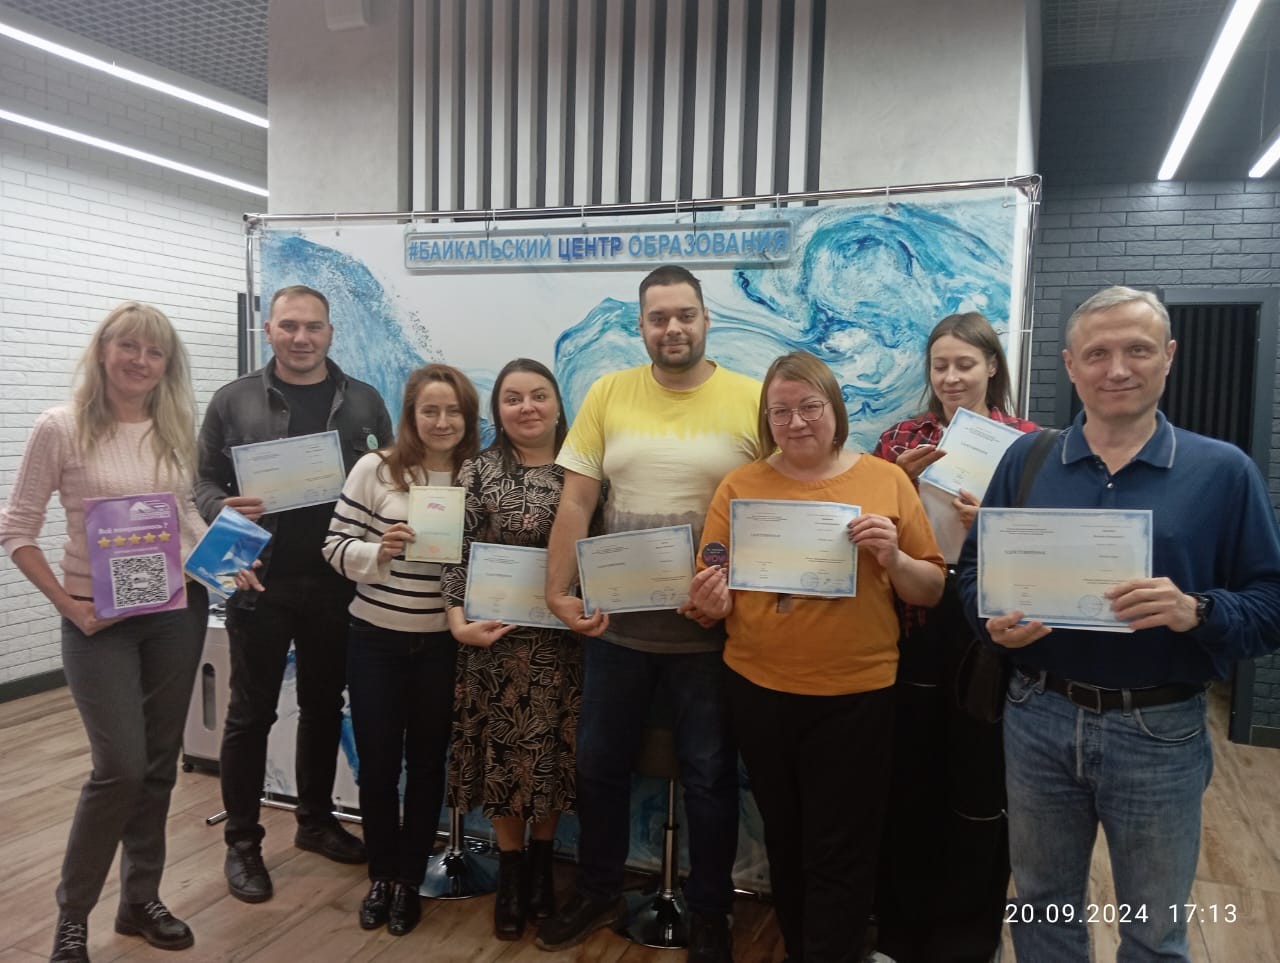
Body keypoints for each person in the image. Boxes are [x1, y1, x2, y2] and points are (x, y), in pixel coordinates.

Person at [956, 286, 1280, 961]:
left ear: (1169, 356)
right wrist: (992, 626)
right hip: (1038, 715)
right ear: (1071, 365)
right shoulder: (1027, 459)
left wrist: (1198, 611)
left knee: (1154, 929)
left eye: (1137, 350)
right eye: (1098, 353)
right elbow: (973, 572)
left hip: (1159, 729)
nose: (1118, 369)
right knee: (1041, 909)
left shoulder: (1223, 471)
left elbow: (1270, 604)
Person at [689, 350, 946, 963]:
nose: (796, 421)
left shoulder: (886, 481)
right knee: (785, 837)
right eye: (780, 411)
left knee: (843, 848)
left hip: (856, 695)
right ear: (766, 419)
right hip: (759, 690)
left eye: (810, 406)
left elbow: (931, 589)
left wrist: (893, 557)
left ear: (835, 409)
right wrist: (709, 599)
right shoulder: (740, 486)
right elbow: (712, 584)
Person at [538, 265, 761, 961]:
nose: (673, 328)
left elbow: (775, 507)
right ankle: (600, 888)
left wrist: (733, 592)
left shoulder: (752, 399)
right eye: (658, 317)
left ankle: (712, 912)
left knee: (710, 778)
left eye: (685, 314)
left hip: (710, 634)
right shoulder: (608, 392)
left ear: (705, 319)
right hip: (617, 628)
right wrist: (557, 590)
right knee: (599, 766)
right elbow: (577, 500)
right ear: (640, 326)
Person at [1, 304, 211, 961]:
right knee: (119, 766)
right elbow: (17, 528)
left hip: (174, 613)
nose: (140, 360)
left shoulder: (173, 425)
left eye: (154, 351)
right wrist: (67, 604)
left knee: (158, 763)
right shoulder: (60, 426)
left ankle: (139, 899)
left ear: (166, 364)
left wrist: (227, 556)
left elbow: (182, 515)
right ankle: (72, 915)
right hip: (98, 622)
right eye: (129, 346)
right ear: (103, 350)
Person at [195, 284, 393, 903]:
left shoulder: (364, 400)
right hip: (258, 577)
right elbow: (202, 481)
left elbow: (387, 479)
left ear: (330, 331)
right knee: (249, 714)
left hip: (336, 581)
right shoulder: (232, 400)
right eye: (288, 326)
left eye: (312, 327)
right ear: (269, 330)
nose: (301, 338)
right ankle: (242, 843)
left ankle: (315, 821)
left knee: (324, 706)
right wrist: (221, 508)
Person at [871, 312, 1036, 962]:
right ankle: (899, 931)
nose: (951, 377)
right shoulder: (899, 439)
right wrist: (898, 485)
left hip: (987, 632)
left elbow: (1045, 549)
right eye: (940, 365)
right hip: (912, 625)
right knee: (908, 780)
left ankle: (968, 938)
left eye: (965, 364)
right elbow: (863, 529)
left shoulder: (1028, 444)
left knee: (979, 789)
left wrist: (993, 523)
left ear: (992, 364)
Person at [323, 363, 480, 937]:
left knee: (428, 764)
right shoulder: (377, 469)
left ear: (468, 417)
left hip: (442, 643)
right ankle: (382, 876)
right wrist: (378, 551)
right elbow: (333, 547)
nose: (441, 421)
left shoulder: (478, 476)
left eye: (453, 411)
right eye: (429, 410)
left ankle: (410, 879)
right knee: (378, 765)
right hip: (375, 639)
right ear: (411, 414)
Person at [441, 358, 580, 942]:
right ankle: (512, 874)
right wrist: (456, 623)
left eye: (539, 395)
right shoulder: (477, 471)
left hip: (561, 642)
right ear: (497, 410)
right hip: (493, 641)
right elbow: (455, 550)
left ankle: (543, 867)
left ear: (558, 404)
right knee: (501, 755)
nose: (527, 408)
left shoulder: (583, 469)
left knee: (550, 752)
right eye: (513, 398)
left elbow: (599, 548)